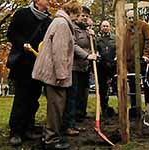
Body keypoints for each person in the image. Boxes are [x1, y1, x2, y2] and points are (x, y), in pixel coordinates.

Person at [31, 1, 96, 149]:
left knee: (56, 106)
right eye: (78, 14)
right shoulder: (62, 24)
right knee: (56, 107)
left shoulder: (60, 22)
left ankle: (49, 136)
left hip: (53, 72)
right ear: (72, 12)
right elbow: (59, 52)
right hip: (54, 74)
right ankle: (51, 140)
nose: (79, 18)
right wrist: (61, 75)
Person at [6, 0, 52, 145]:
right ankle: (16, 131)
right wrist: (22, 43)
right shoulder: (21, 14)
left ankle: (28, 128)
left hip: (39, 66)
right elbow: (11, 33)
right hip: (22, 65)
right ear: (38, 1)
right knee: (21, 98)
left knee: (34, 99)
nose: (50, 2)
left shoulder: (48, 21)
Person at [64, 6, 94, 136]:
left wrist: (94, 36)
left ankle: (76, 122)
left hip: (85, 67)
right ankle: (68, 124)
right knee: (72, 97)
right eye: (82, 15)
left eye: (87, 16)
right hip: (74, 67)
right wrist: (86, 55)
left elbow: (93, 47)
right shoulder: (73, 29)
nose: (85, 18)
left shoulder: (87, 31)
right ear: (78, 16)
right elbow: (73, 46)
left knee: (82, 95)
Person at [125, 10, 149, 117]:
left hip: (143, 61)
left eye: (133, 18)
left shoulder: (144, 26)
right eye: (129, 18)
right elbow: (123, 43)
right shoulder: (125, 28)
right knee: (132, 86)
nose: (132, 20)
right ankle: (135, 108)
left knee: (147, 84)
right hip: (131, 62)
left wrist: (146, 54)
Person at [95, 20, 117, 118]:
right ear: (100, 27)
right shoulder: (97, 39)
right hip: (102, 67)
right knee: (103, 89)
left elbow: (118, 49)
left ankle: (120, 108)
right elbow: (95, 50)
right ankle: (104, 108)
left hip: (113, 66)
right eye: (103, 26)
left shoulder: (115, 38)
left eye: (107, 26)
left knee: (117, 87)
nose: (105, 27)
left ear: (110, 27)